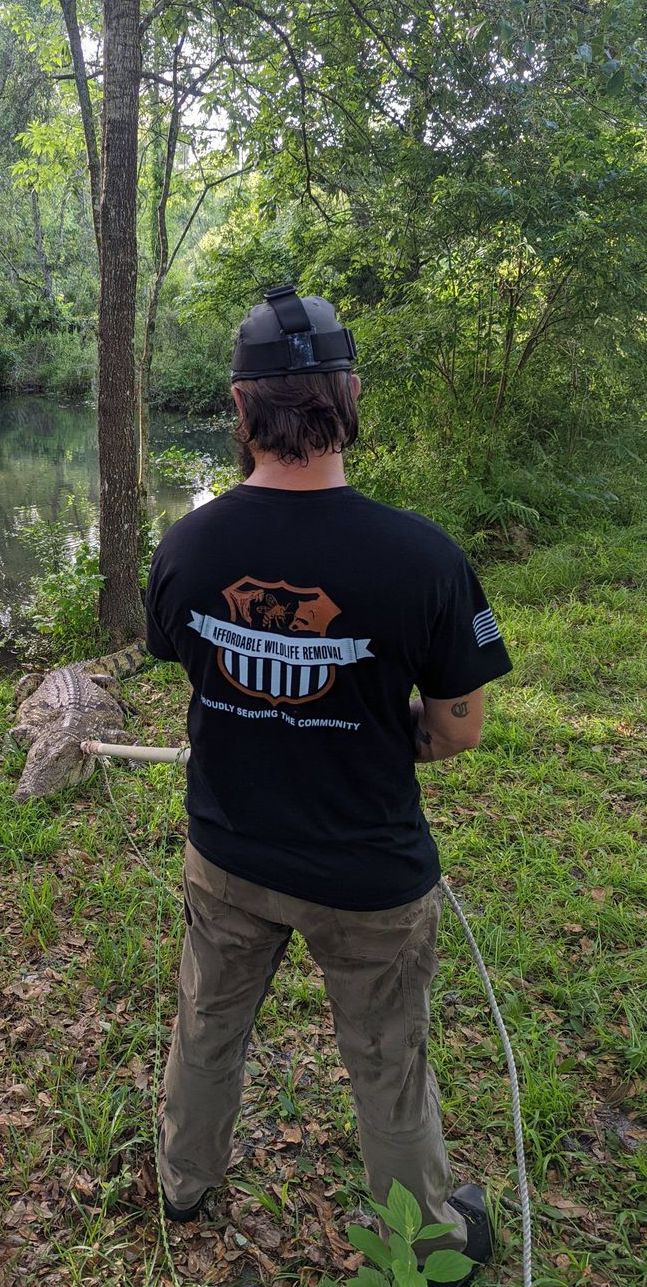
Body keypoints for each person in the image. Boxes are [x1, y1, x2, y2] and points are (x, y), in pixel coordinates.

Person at [143, 286, 512, 1281]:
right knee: (388, 1063)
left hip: (228, 856)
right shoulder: (422, 556)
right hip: (370, 877)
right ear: (349, 395)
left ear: (237, 406)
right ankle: (423, 1242)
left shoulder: (186, 547)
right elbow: (459, 725)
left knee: (206, 1027)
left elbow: (203, 677)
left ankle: (183, 1183)